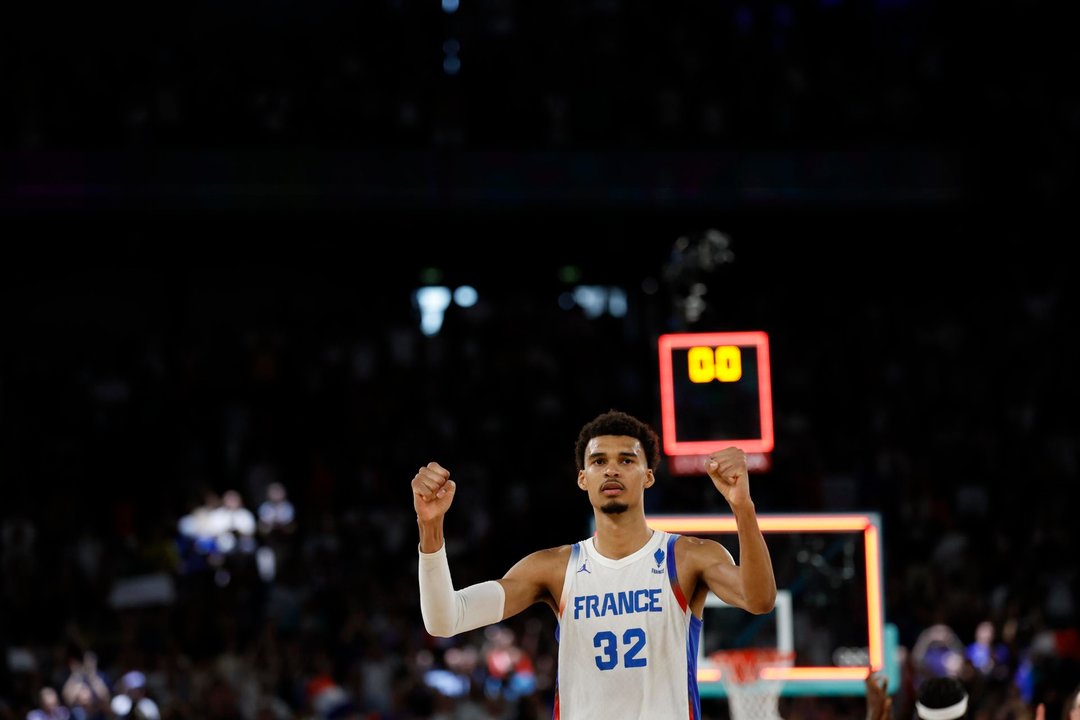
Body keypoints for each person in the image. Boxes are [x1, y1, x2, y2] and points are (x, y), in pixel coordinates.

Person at [412, 409, 777, 719]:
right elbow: (446, 619)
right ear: (583, 479)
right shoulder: (554, 568)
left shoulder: (687, 556)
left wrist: (742, 506)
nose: (612, 470)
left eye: (627, 460)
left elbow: (759, 599)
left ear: (647, 476)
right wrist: (430, 527)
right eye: (599, 461)